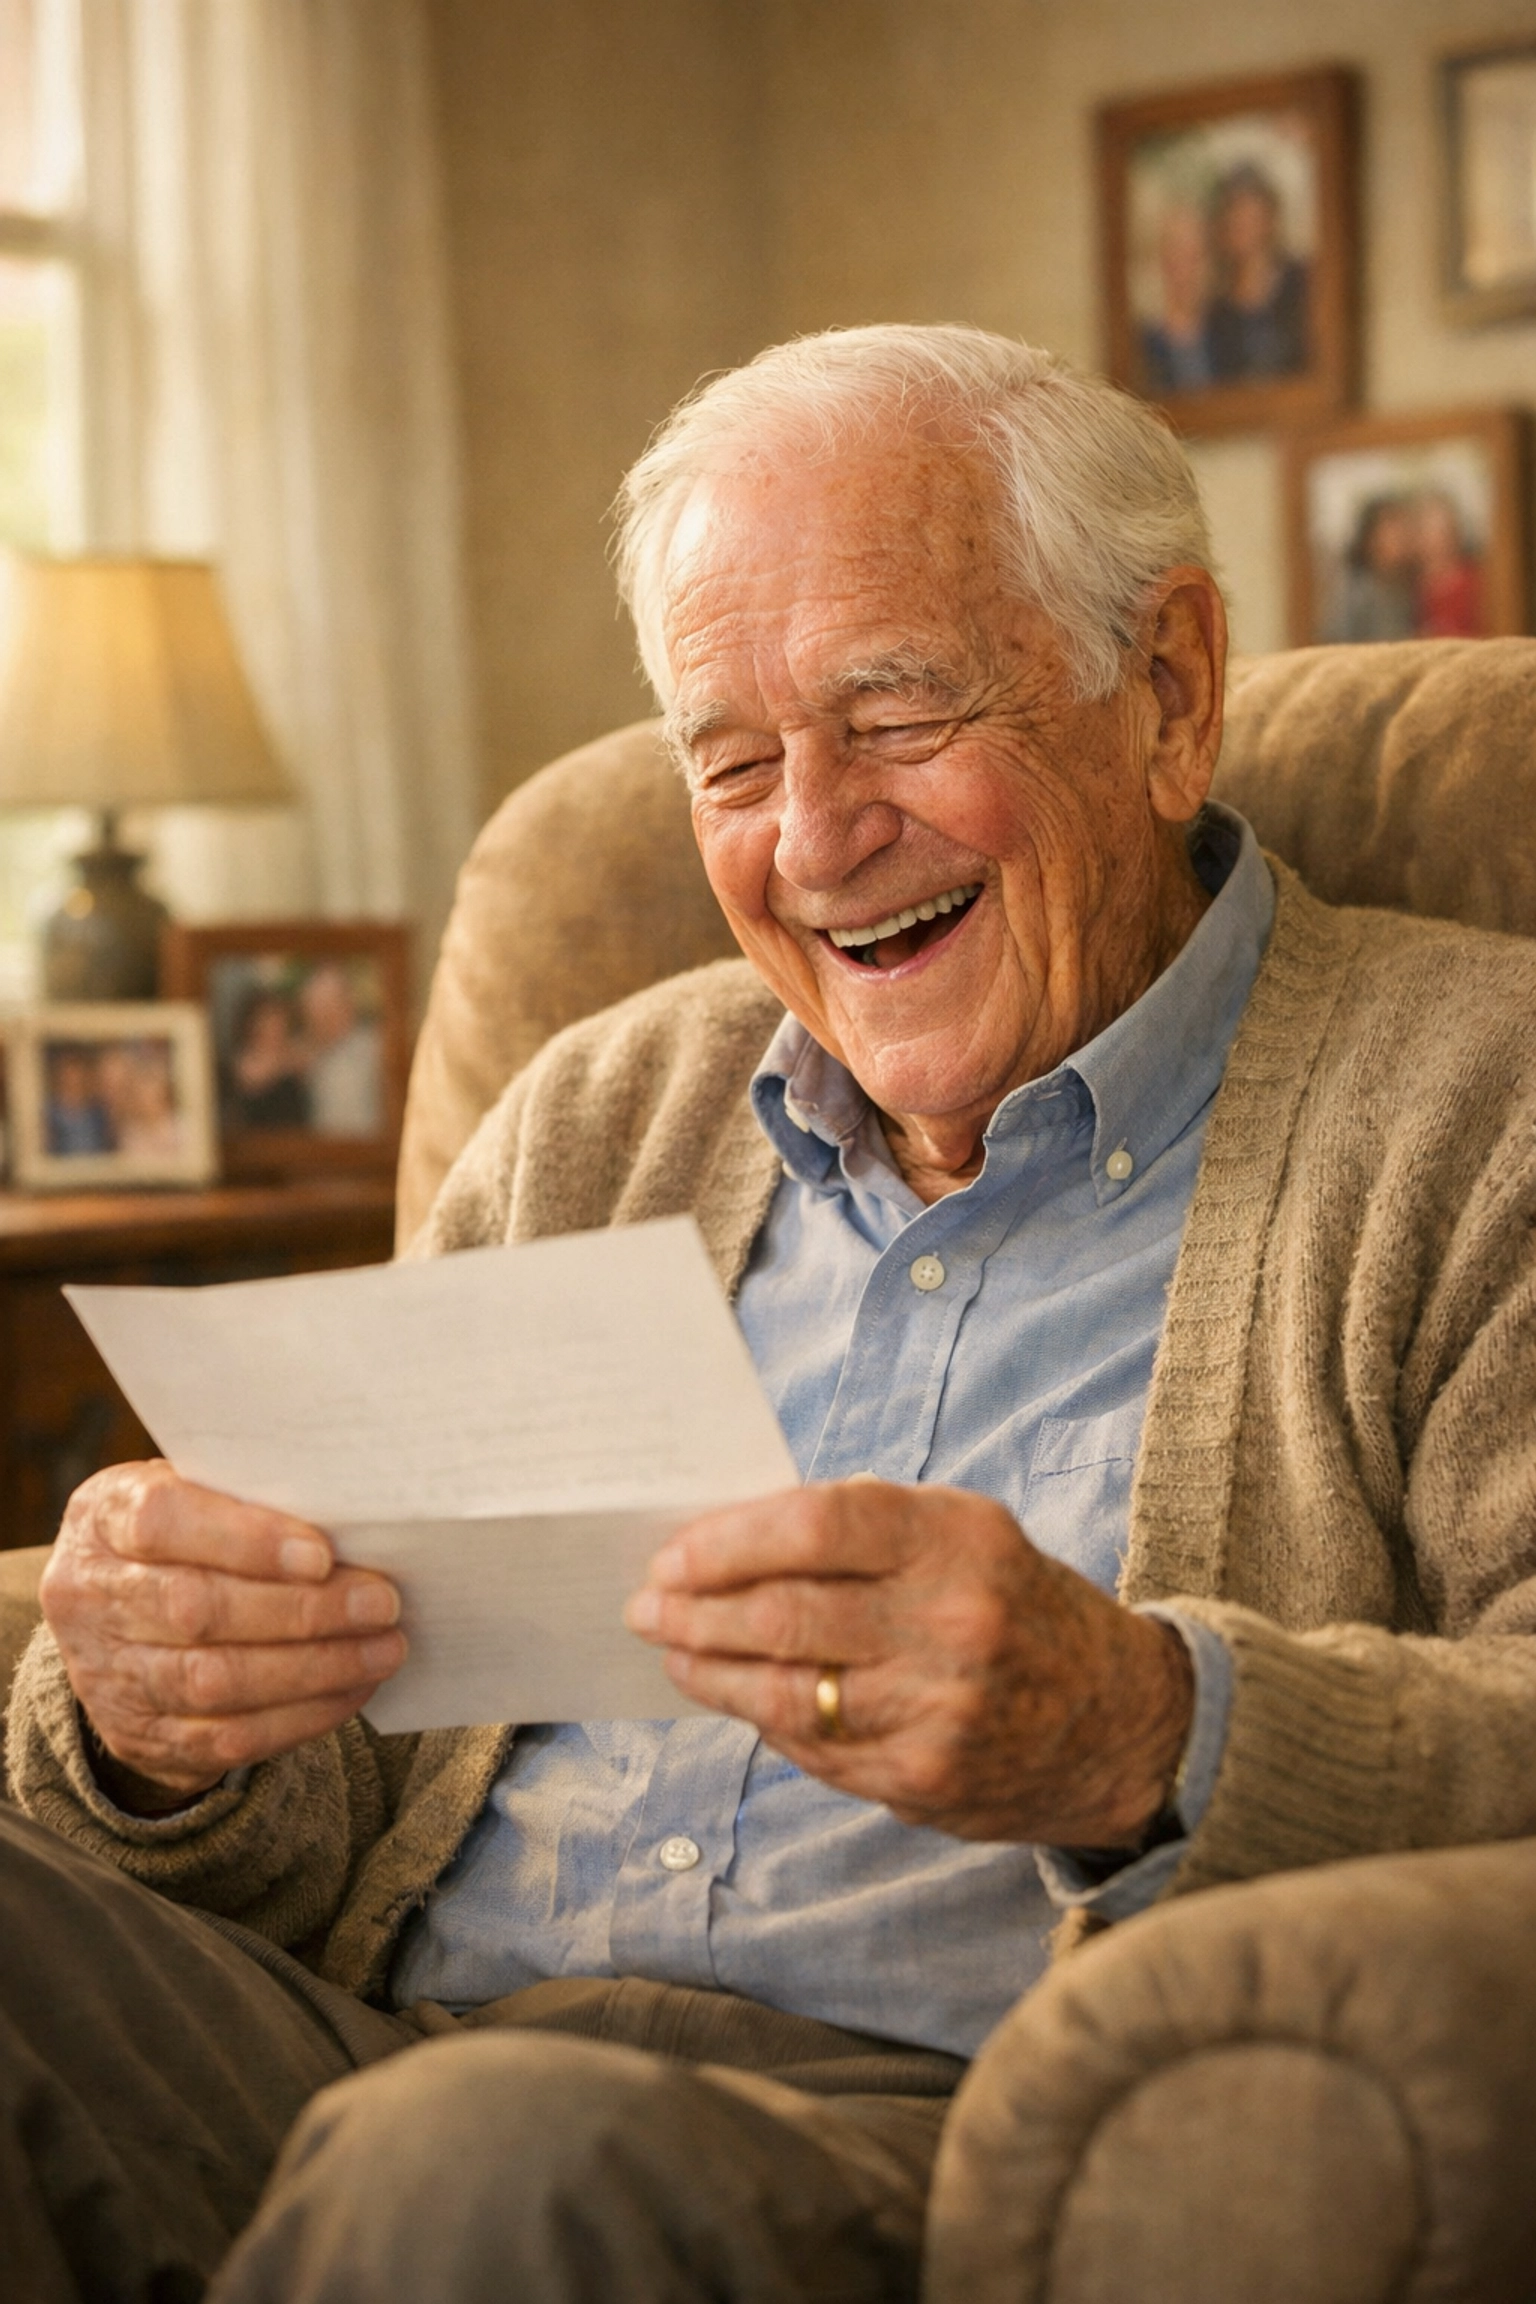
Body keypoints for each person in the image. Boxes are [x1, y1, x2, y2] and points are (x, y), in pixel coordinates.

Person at [5, 326, 1536, 2304]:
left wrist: (1143, 1727)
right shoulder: (598, 1113)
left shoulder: (1481, 1102)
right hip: (371, 2061)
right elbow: (341, 1794)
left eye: (895, 718)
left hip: (928, 2147)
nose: (812, 841)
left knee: (483, 2156)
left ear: (1167, 689)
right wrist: (167, 1735)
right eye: (732, 761)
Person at [1205, 160, 1309, 381]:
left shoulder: (1302, 284)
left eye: (1249, 211)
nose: (1240, 221)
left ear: (1269, 218)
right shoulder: (1216, 312)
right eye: (1233, 211)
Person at [297, 962, 384, 1137]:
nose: (315, 1020)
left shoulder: (374, 1048)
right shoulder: (307, 1056)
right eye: (311, 1010)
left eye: (323, 1008)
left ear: (346, 1005)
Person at [1137, 200, 1214, 395]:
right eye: (1175, 249)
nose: (1184, 263)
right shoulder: (1142, 338)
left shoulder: (1224, 330)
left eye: (1193, 251)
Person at [1320, 493, 1419, 643]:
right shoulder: (1356, 591)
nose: (1401, 540)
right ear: (1371, 539)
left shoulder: (1408, 587)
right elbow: (1336, 640)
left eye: (1403, 531)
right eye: (1392, 533)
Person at [223, 986, 311, 1134]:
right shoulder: (240, 1063)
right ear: (252, 1025)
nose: (276, 1027)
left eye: (280, 1020)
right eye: (268, 1020)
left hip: (295, 1138)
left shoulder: (296, 1054)